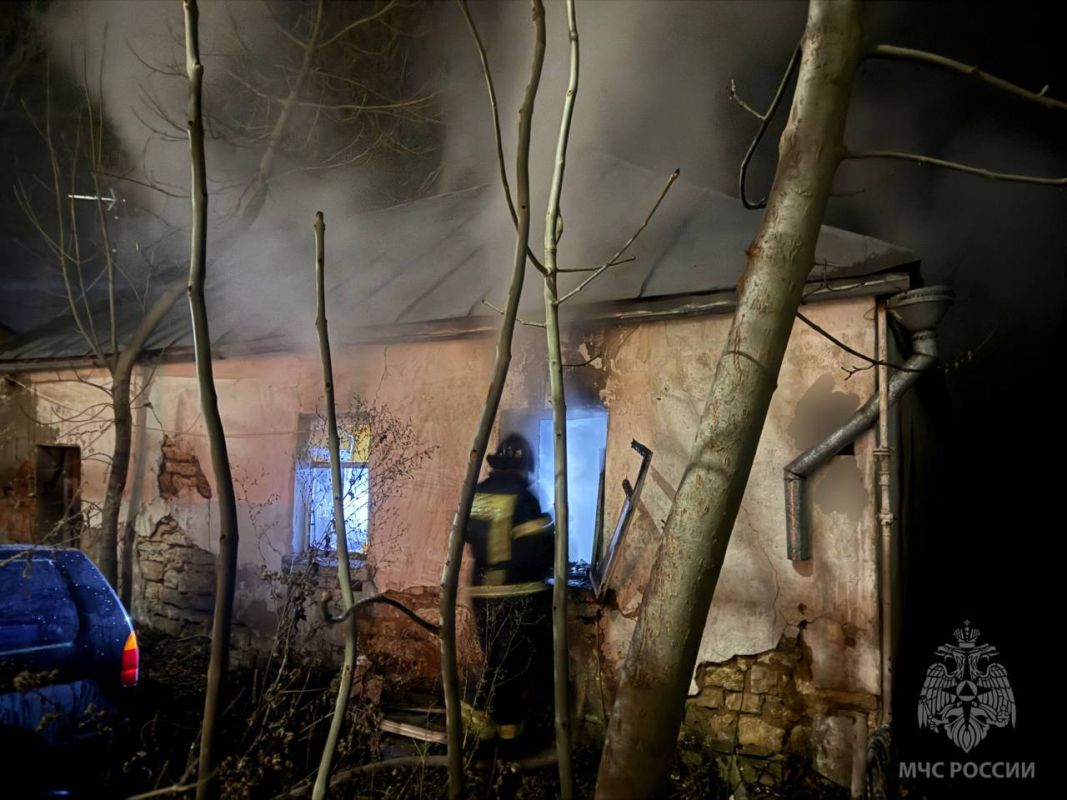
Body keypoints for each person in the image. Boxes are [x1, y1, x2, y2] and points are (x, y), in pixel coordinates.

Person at [462, 432, 554, 742]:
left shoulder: (476, 493)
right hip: (513, 593)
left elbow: (466, 537)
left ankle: (485, 718)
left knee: (495, 656)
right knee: (514, 663)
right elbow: (537, 553)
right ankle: (504, 730)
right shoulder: (523, 498)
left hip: (480, 590)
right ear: (524, 465)